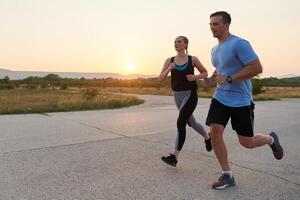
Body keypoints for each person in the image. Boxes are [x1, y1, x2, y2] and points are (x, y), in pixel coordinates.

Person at [204, 11, 284, 189]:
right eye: (210, 24)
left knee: (247, 142)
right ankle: (227, 175)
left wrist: (230, 78)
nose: (212, 27)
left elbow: (257, 67)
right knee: (215, 131)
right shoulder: (214, 49)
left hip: (241, 100)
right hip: (220, 97)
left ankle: (271, 139)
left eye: (216, 24)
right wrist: (210, 80)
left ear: (226, 25)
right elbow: (219, 69)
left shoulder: (239, 44)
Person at [159, 36, 212, 167]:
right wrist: (169, 68)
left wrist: (195, 77)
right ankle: (207, 137)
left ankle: (174, 157)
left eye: (179, 41)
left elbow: (205, 73)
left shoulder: (192, 59)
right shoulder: (169, 60)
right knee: (191, 122)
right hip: (176, 95)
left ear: (186, 44)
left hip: (190, 94)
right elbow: (160, 78)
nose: (176, 44)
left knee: (181, 122)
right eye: (175, 42)